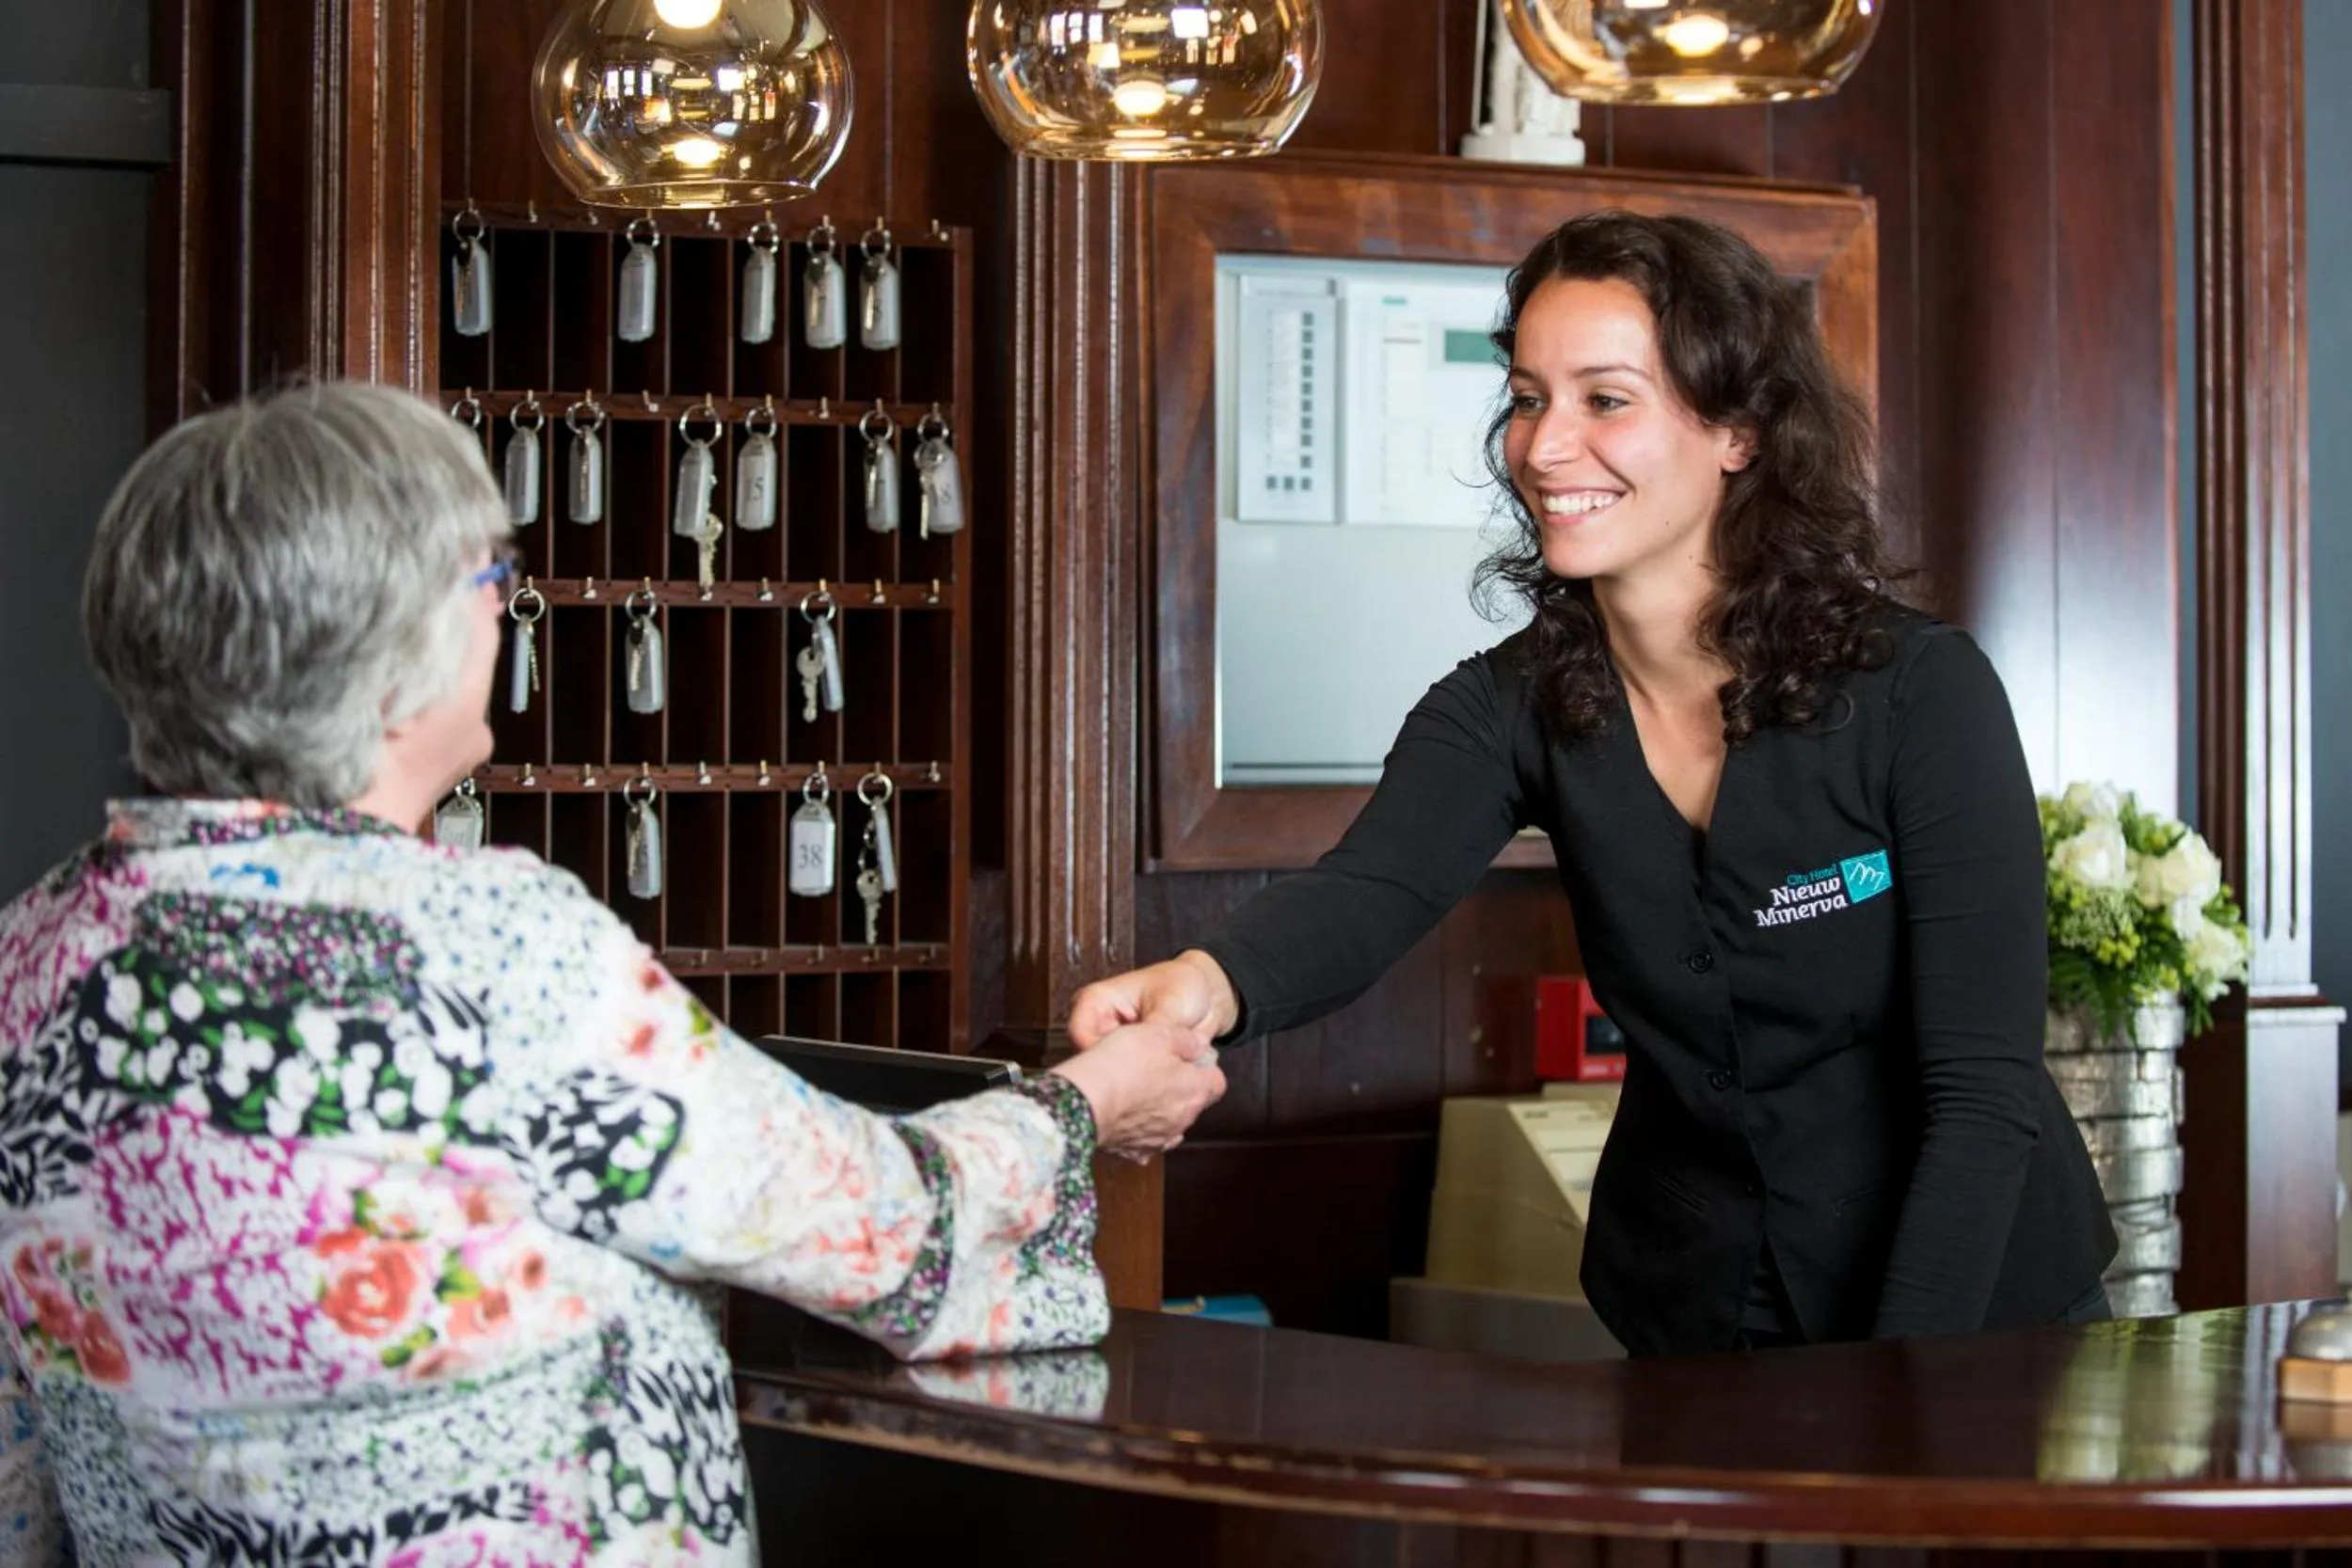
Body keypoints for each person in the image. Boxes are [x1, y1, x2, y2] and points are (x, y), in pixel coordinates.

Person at [0, 381, 1225, 1564]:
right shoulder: (479, 945)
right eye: (490, 578)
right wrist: (1093, 1097)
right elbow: (887, 1225)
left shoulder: (29, 953)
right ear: (386, 666)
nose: (506, 609)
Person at [1071, 211, 2116, 1358]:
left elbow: (1979, 1095)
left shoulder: (1920, 695)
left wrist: (1899, 1399)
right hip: (1700, 1317)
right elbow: (1366, 890)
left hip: (1974, 1317)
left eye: (1604, 400)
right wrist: (1203, 981)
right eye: (1527, 398)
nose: (1545, 446)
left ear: (1737, 430)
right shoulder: (1505, 705)